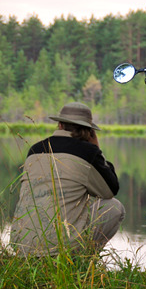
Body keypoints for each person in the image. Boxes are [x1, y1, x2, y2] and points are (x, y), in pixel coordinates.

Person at [10, 102, 125, 256]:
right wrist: (96, 149)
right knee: (114, 207)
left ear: (60, 125)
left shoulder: (35, 149)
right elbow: (110, 190)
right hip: (59, 250)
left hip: (21, 245)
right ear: (89, 131)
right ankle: (82, 261)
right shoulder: (87, 152)